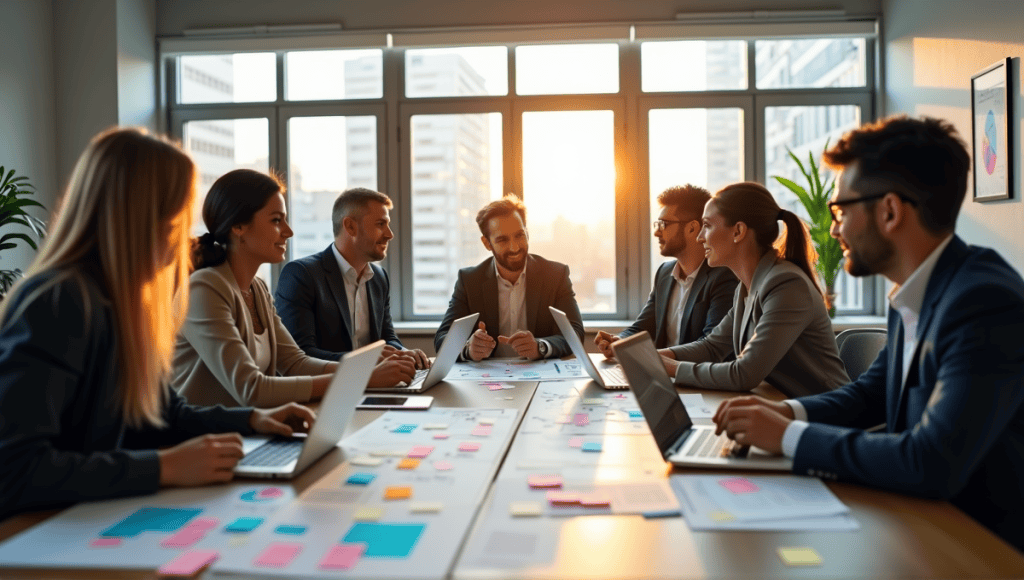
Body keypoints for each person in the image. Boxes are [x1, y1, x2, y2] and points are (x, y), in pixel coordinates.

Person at [712, 116, 1024, 551]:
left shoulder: (983, 302)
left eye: (841, 211)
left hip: (981, 547)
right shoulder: (914, 294)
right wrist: (789, 414)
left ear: (890, 211)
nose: (834, 228)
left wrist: (786, 437)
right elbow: (868, 396)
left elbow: (930, 461)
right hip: (921, 525)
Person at [0, 128, 315, 519]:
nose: (188, 238)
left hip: (89, 515)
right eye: (177, 219)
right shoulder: (61, 300)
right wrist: (164, 467)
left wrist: (253, 419)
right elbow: (15, 471)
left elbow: (164, 415)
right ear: (139, 217)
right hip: (35, 534)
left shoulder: (121, 302)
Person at [660, 181, 849, 397]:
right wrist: (651, 356)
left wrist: (669, 367)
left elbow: (744, 373)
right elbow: (712, 347)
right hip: (782, 405)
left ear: (738, 231)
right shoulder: (747, 286)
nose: (700, 236)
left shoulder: (786, 284)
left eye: (708, 225)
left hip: (824, 416)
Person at [173, 169, 337, 407]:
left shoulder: (257, 289)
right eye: (276, 220)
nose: (289, 232)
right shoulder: (204, 288)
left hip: (247, 431)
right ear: (238, 226)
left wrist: (365, 369)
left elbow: (295, 363)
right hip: (202, 439)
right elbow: (252, 389)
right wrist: (360, 378)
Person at [275, 188, 425, 389]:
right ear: (350, 227)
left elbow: (387, 337)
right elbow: (301, 355)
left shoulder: (379, 277)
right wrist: (366, 361)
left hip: (375, 389)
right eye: (381, 224)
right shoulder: (301, 275)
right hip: (328, 393)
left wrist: (403, 353)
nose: (390, 234)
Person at [434, 194, 584, 361]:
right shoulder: (469, 281)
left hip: (541, 377)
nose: (514, 247)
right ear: (487, 243)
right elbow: (442, 339)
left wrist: (540, 346)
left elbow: (575, 333)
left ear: (527, 233)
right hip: (487, 381)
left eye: (519, 235)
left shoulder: (556, 275)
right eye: (502, 240)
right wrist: (469, 349)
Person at [594, 185, 737, 357]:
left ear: (692, 228)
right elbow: (643, 327)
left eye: (664, 224)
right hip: (662, 374)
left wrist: (653, 358)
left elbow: (710, 346)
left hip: (694, 378)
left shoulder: (723, 277)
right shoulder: (664, 273)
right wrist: (619, 341)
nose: (656, 232)